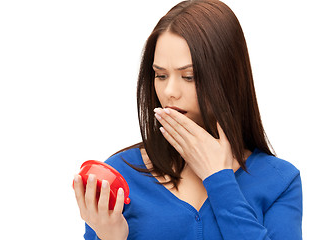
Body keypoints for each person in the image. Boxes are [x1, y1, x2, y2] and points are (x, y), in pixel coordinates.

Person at [73, 0, 303, 239]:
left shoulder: (280, 182)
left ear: (229, 78)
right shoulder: (120, 176)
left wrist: (220, 181)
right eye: (160, 75)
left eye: (189, 76)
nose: (170, 91)